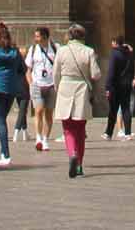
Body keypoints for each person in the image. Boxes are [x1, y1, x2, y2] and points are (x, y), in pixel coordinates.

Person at [54, 22, 103, 179]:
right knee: (80, 130)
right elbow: (96, 75)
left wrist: (57, 88)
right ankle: (80, 165)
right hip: (81, 89)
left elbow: (55, 73)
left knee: (67, 128)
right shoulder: (89, 51)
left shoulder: (61, 51)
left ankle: (72, 154)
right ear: (83, 36)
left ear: (69, 35)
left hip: (65, 88)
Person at [0, 19, 26, 165]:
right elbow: (22, 69)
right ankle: (2, 152)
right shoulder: (15, 52)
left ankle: (5, 154)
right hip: (11, 89)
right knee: (1, 119)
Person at [27, 25, 58, 151]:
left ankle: (45, 139)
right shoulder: (33, 49)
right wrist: (31, 83)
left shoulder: (56, 48)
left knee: (49, 114)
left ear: (45, 37)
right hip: (37, 84)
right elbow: (28, 70)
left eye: (37, 36)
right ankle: (38, 138)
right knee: (38, 111)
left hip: (51, 85)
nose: (35, 38)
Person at [104, 35, 134, 139]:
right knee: (126, 108)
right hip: (127, 85)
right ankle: (128, 133)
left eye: (113, 42)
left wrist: (108, 87)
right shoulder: (129, 53)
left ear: (116, 43)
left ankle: (108, 133)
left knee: (113, 109)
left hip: (116, 86)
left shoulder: (115, 53)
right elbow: (132, 68)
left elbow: (111, 72)